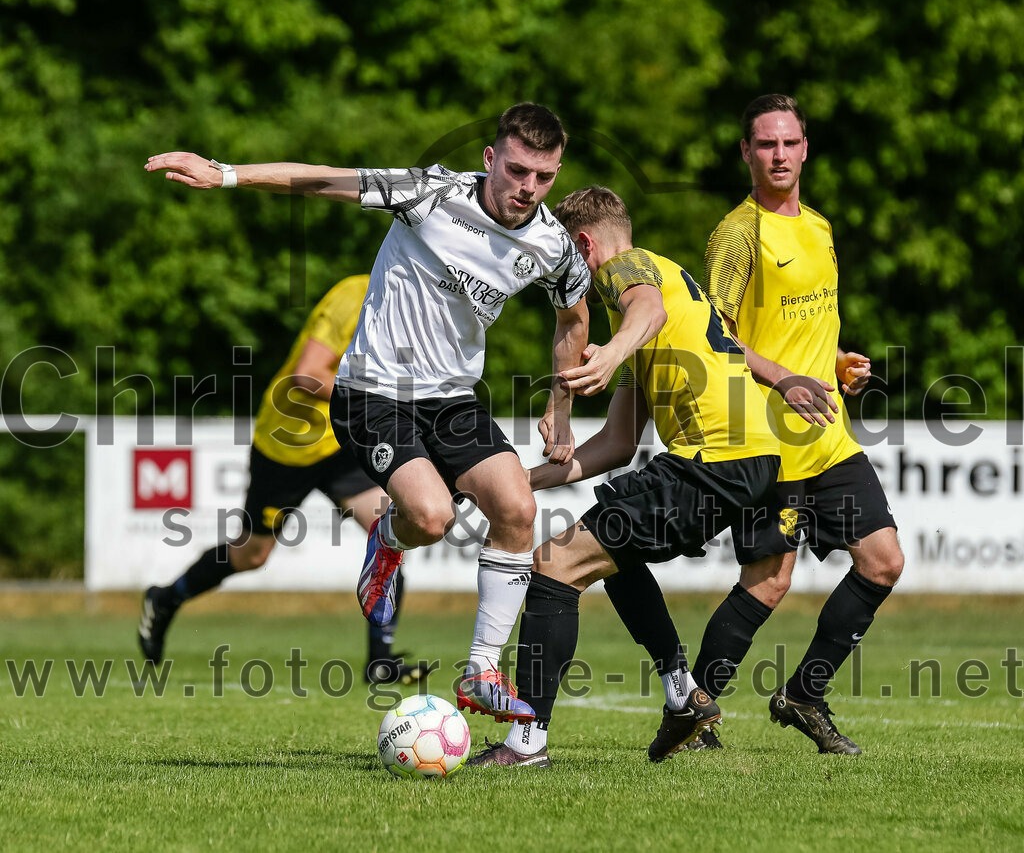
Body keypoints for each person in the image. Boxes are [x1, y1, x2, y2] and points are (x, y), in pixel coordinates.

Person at [145, 103, 591, 722]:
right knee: (429, 518)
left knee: (517, 508)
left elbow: (573, 317)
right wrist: (226, 174)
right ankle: (387, 540)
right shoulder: (430, 194)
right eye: (517, 170)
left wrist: (560, 406)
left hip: (452, 399)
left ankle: (482, 670)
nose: (528, 188)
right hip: (372, 393)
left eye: (543, 177)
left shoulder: (552, 244)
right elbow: (324, 180)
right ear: (490, 158)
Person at [615, 94, 905, 755]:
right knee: (769, 583)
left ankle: (805, 693)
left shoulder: (820, 227)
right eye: (766, 144)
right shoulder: (737, 233)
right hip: (767, 440)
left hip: (827, 435)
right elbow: (716, 336)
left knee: (883, 562)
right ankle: (694, 713)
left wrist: (835, 361)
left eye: (789, 142)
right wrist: (786, 380)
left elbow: (801, 324)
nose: (779, 154)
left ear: (805, 149)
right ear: (746, 152)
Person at [466, 187, 781, 768]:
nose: (563, 273)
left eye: (564, 255)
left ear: (585, 245)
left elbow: (647, 309)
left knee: (553, 565)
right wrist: (518, 482)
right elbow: (617, 444)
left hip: (713, 460)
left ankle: (526, 741)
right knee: (613, 556)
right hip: (752, 461)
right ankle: (682, 692)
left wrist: (608, 353)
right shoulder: (669, 293)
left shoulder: (626, 270)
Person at [138, 275, 430, 684]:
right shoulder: (356, 295)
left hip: (339, 442)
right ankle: (166, 599)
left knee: (391, 533)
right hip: (287, 443)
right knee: (252, 555)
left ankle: (380, 662)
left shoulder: (421, 302)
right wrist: (376, 400)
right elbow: (306, 374)